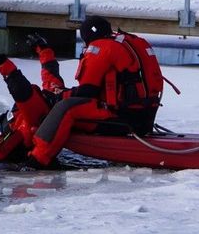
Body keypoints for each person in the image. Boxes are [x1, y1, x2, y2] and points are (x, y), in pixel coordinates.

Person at [23, 15, 164, 169]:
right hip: (145, 117)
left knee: (65, 108)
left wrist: (59, 97)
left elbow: (86, 92)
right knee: (64, 103)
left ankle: (37, 160)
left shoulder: (100, 48)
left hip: (122, 120)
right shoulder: (133, 43)